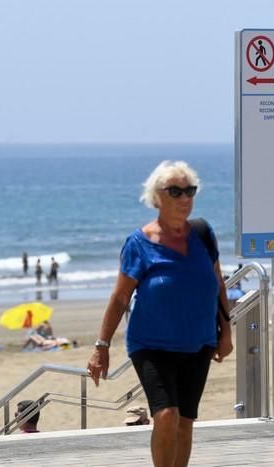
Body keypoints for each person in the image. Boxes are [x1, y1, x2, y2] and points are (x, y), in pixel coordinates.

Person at [87, 160, 232, 467]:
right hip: (152, 345)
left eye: (189, 191)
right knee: (166, 415)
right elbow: (120, 297)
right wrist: (102, 346)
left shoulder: (203, 235)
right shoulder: (139, 243)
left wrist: (226, 333)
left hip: (199, 342)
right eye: (175, 191)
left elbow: (218, 284)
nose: (184, 198)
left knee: (185, 422)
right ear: (157, 197)